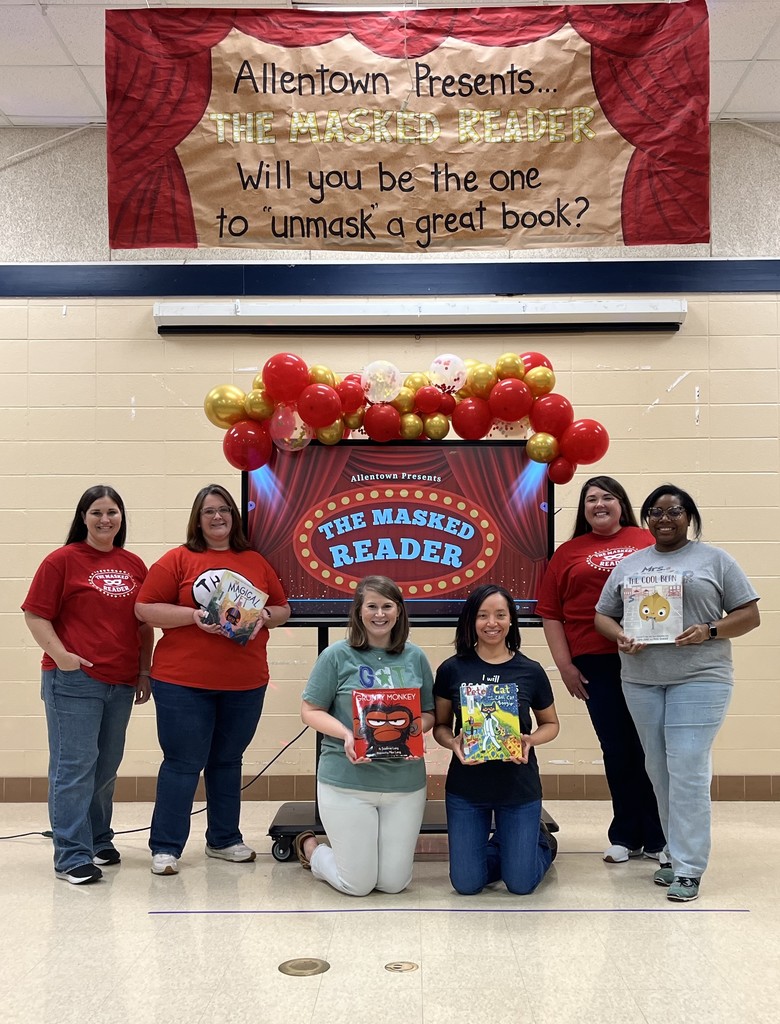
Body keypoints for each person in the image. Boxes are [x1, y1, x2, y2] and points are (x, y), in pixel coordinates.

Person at [595, 484, 760, 903]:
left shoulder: (715, 560)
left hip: (701, 676)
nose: (665, 519)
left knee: (686, 767)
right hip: (641, 679)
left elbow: (750, 615)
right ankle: (673, 853)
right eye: (656, 512)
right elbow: (602, 615)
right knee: (658, 769)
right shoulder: (630, 564)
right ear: (646, 518)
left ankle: (689, 868)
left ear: (690, 517)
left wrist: (710, 630)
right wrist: (621, 636)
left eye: (674, 511)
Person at [135, 484, 290, 876]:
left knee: (227, 761)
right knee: (183, 763)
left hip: (245, 682)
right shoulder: (177, 559)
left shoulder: (255, 560)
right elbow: (145, 608)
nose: (217, 517)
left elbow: (283, 607)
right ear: (197, 519)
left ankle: (224, 840)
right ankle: (166, 847)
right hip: (182, 682)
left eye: (224, 510)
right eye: (208, 512)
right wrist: (193, 618)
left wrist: (265, 617)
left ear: (233, 517)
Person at [22, 485, 153, 885]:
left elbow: (144, 624)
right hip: (74, 681)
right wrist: (63, 657)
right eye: (96, 512)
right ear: (83, 517)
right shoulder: (61, 561)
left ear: (121, 518)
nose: (105, 519)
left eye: (112, 512)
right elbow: (34, 615)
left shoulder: (133, 563)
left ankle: (97, 838)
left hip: (120, 681)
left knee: (106, 767)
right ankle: (71, 855)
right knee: (74, 768)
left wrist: (143, 671)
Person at [537, 475, 665, 864]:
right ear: (584, 509)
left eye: (607, 497)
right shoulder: (568, 552)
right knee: (617, 748)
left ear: (621, 504)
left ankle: (660, 836)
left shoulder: (647, 542)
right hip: (594, 662)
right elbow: (551, 614)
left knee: (651, 748)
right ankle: (625, 834)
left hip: (648, 659)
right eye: (591, 499)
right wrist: (565, 667)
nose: (599, 504)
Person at [298, 576, 434, 896]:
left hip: (404, 784)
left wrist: (416, 729)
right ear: (358, 611)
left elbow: (429, 712)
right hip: (347, 782)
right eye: (371, 606)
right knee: (357, 885)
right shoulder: (335, 656)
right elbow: (310, 710)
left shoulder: (415, 657)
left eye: (387, 606)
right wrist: (347, 734)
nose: (379, 614)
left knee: (393, 883)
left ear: (399, 612)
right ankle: (311, 849)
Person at [432, 584, 559, 895]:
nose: (492, 623)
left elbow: (551, 724)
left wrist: (529, 741)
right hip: (467, 790)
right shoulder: (452, 669)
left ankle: (541, 843)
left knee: (521, 884)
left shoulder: (530, 670)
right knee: (466, 884)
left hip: (518, 788)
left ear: (511, 620)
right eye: (483, 615)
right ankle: (512, 844)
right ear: (471, 622)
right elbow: (440, 727)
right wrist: (453, 743)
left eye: (500, 615)